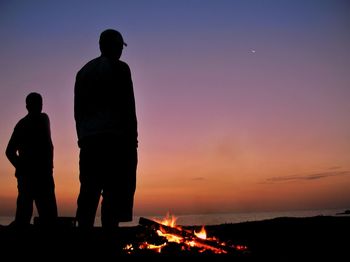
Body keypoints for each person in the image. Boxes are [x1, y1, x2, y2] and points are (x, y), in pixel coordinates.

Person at [74, 29, 138, 229]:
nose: (121, 50)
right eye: (120, 46)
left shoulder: (83, 72)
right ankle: (109, 238)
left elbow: (78, 110)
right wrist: (132, 138)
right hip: (116, 142)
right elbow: (128, 106)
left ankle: (84, 234)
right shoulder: (121, 68)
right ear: (114, 46)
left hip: (89, 142)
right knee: (114, 193)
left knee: (88, 192)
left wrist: (82, 137)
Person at [6, 92, 58, 227]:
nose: (39, 107)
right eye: (36, 104)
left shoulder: (42, 119)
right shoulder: (24, 124)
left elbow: (47, 145)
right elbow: (9, 151)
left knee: (48, 215)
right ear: (27, 106)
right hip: (32, 178)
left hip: (43, 176)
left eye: (40, 104)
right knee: (26, 215)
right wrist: (22, 167)